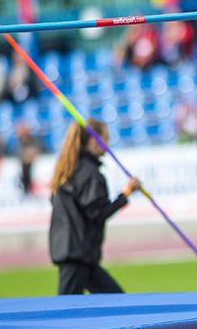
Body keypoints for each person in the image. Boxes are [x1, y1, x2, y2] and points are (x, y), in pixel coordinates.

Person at [48, 119, 141, 295]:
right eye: (106, 139)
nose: (108, 145)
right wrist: (126, 193)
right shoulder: (90, 173)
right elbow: (97, 213)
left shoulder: (70, 168)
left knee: (116, 300)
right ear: (94, 141)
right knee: (67, 306)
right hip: (77, 254)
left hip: (79, 253)